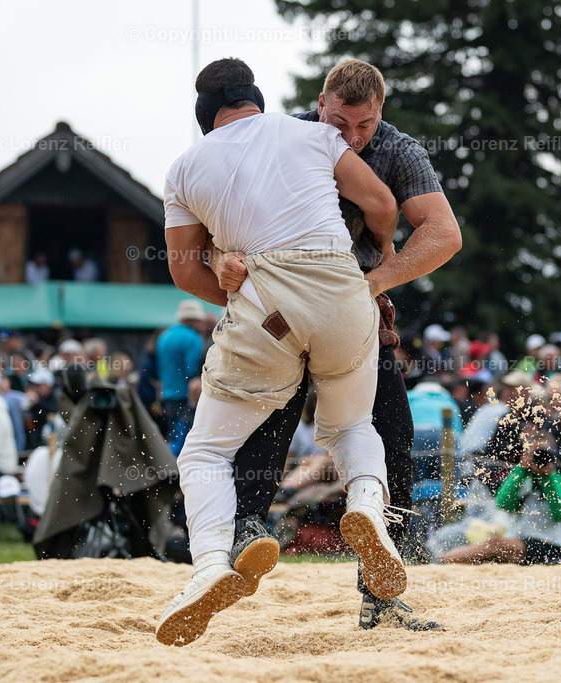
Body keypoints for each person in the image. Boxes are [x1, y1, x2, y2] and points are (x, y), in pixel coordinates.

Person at [156, 57, 409, 646]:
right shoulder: (314, 133)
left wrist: (232, 288)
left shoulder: (184, 168)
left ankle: (213, 562)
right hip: (346, 293)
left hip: (266, 303)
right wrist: (381, 253)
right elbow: (380, 204)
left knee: (207, 452)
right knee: (352, 427)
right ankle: (368, 507)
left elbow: (182, 269)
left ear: (207, 119)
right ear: (258, 102)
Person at [209, 58, 460, 631]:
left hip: (354, 314)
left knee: (391, 434)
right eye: (340, 122)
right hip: (283, 306)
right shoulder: (282, 137)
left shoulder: (397, 151)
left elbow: (445, 232)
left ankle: (381, 591)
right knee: (269, 413)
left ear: (381, 115)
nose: (350, 137)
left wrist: (371, 284)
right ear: (320, 103)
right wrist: (224, 260)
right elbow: (216, 219)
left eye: (364, 126)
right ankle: (247, 530)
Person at [438, 422, 561, 566]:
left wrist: (548, 477)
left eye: (544, 453)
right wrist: (521, 469)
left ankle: (439, 561)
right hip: (522, 541)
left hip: (554, 545)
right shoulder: (523, 478)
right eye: (534, 453)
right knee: (487, 560)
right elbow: (502, 504)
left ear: (553, 455)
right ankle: (443, 565)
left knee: (494, 544)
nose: (540, 457)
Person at [156, 300, 206, 433]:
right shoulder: (193, 338)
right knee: (185, 435)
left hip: (167, 394)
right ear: (195, 319)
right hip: (185, 395)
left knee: (173, 433)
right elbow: (191, 369)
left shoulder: (164, 335)